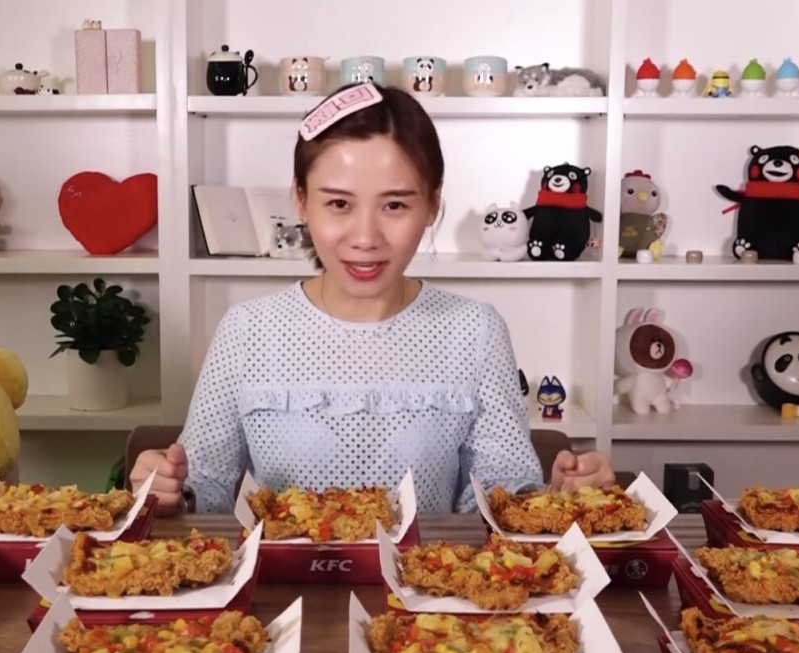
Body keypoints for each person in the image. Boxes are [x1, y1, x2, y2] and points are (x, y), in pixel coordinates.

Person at [132, 82, 615, 515]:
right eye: (339, 204)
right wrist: (169, 490)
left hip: (429, 601)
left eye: (395, 205)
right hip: (282, 597)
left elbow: (498, 496)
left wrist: (555, 502)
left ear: (432, 204)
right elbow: (205, 486)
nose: (365, 237)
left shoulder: (475, 329)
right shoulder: (247, 330)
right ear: (300, 200)